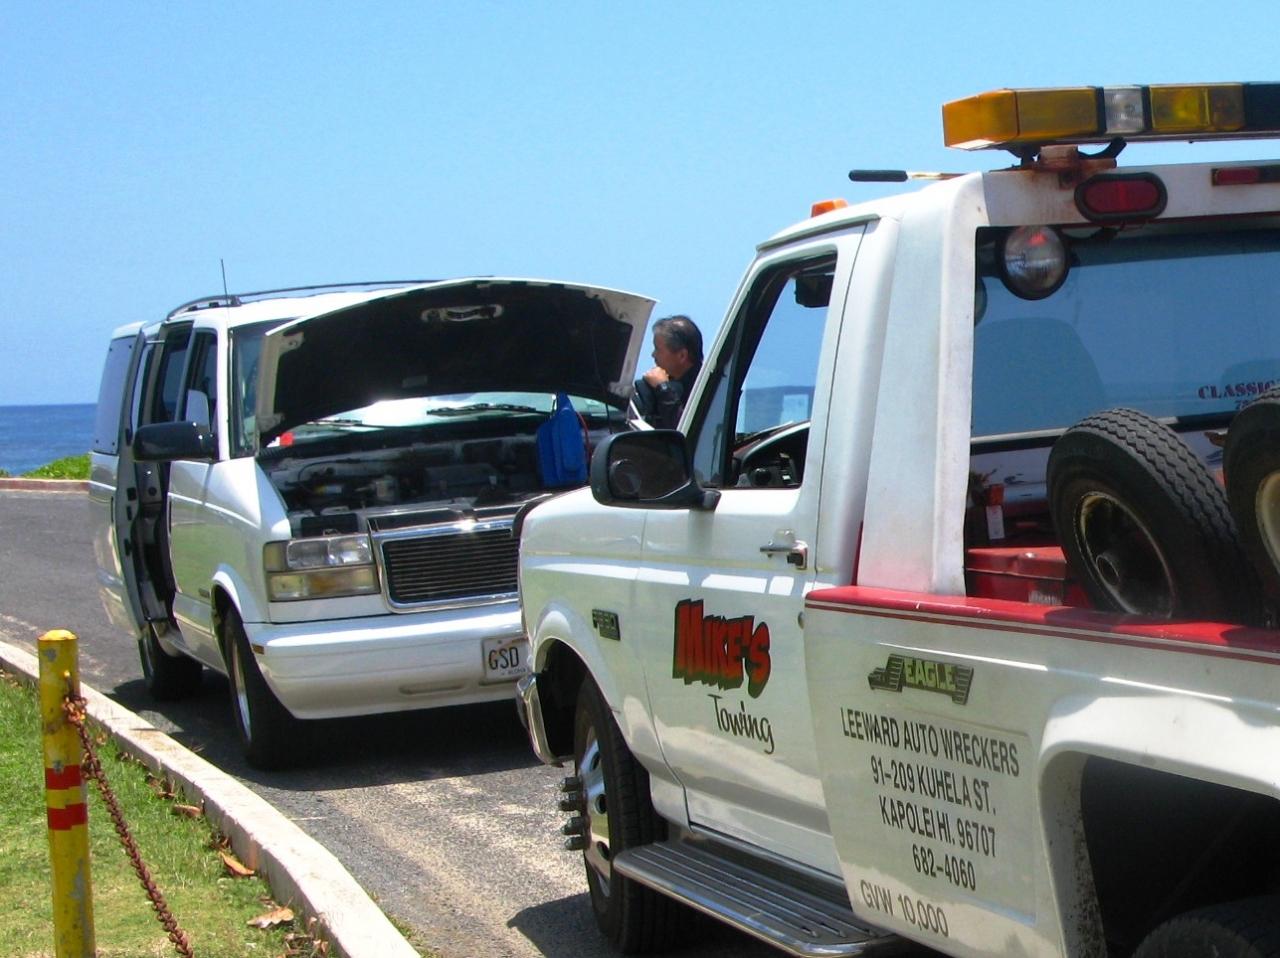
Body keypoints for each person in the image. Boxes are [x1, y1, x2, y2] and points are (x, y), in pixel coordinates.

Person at [631, 314, 703, 429]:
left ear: (682, 356)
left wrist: (663, 388)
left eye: (658, 349)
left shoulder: (706, 389)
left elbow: (685, 429)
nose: (653, 355)